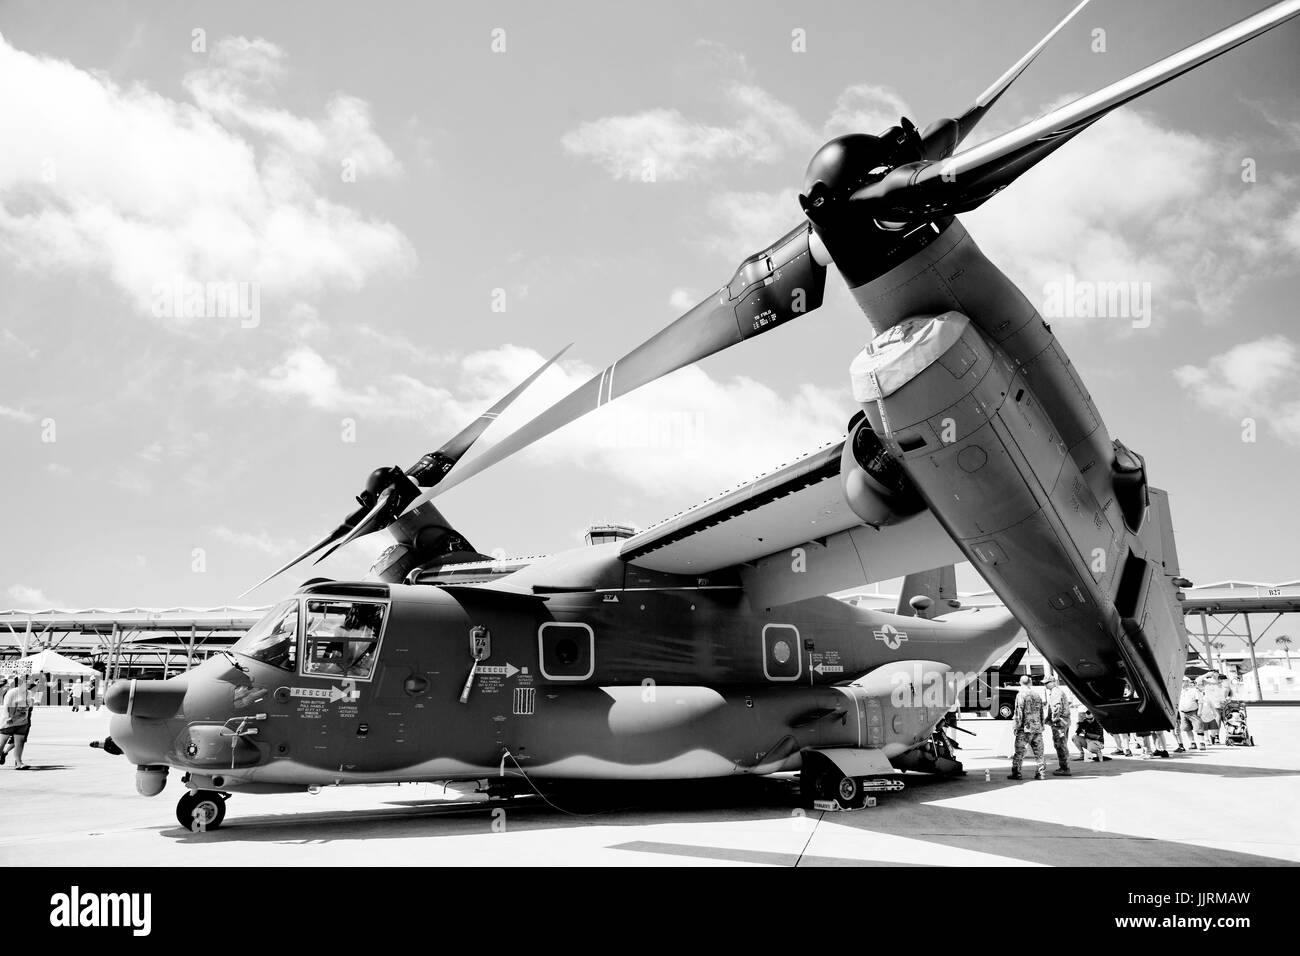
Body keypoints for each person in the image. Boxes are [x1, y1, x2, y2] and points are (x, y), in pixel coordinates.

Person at [1008, 675, 1047, 780]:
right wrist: (1041, 726)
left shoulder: (1021, 695)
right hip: (1037, 728)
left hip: (1025, 729)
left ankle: (1016, 773)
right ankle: (1041, 773)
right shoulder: (1037, 695)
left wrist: (1016, 726)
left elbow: (1019, 712)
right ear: (1030, 683)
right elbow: (1041, 712)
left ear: (1020, 683)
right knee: (1039, 753)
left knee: (1019, 751)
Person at [0, 678, 36, 770]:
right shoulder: (12, 692)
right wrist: (9, 717)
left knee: (19, 743)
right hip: (9, 721)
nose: (30, 684)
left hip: (22, 721)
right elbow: (7, 705)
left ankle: (19, 763)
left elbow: (29, 705)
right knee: (2, 742)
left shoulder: (29, 693)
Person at [1044, 675, 1073, 776]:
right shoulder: (1056, 691)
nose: (1045, 685)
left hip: (1059, 724)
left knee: (1060, 745)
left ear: (1053, 682)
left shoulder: (1056, 692)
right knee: (1062, 744)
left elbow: (1056, 707)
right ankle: (1064, 766)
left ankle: (1064, 768)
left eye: (1047, 683)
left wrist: (1054, 720)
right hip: (1063, 722)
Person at [1198, 675, 1223, 747]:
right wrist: (1207, 674)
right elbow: (1199, 679)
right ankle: (1207, 739)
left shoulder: (1220, 684)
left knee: (1214, 727)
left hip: (1216, 707)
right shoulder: (1205, 682)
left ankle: (1214, 737)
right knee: (1205, 727)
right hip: (1204, 712)